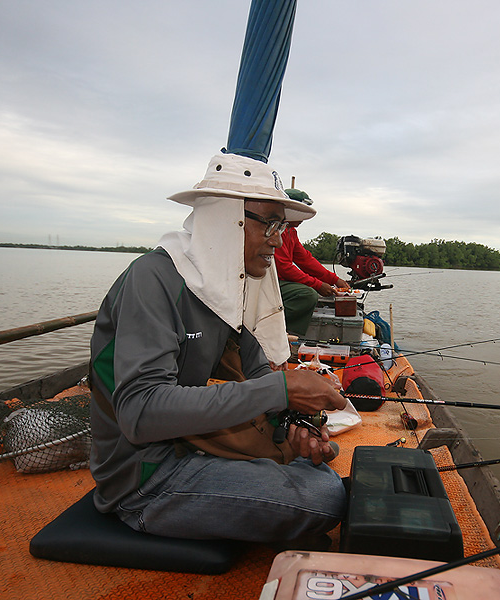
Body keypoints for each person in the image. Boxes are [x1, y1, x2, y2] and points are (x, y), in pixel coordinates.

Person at [88, 153, 347, 546]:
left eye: (282, 226)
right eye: (271, 225)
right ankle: (143, 508)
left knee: (322, 467)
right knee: (323, 496)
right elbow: (139, 413)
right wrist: (284, 389)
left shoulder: (227, 284)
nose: (278, 240)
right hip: (145, 475)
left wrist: (290, 427)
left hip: (194, 445)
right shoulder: (152, 279)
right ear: (228, 221)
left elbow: (257, 371)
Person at [274, 188, 351, 337]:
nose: (303, 219)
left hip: (279, 281)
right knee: (308, 294)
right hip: (267, 282)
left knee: (310, 289)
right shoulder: (277, 230)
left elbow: (306, 261)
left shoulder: (291, 232)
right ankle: (274, 330)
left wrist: (335, 280)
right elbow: (284, 268)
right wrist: (317, 285)